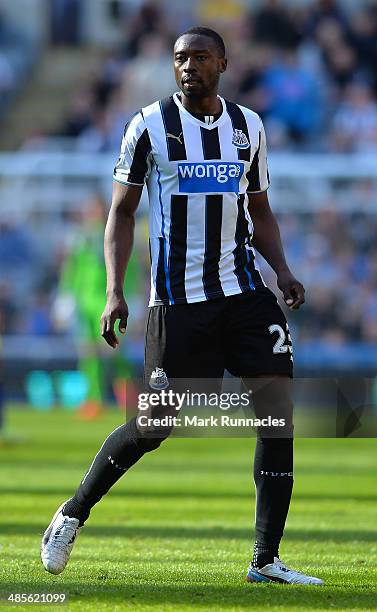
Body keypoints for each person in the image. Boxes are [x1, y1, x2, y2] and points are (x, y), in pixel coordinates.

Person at [41, 26, 323, 586]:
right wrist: (114, 290)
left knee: (276, 414)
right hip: (179, 303)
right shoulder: (147, 126)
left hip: (243, 293)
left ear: (222, 62)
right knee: (156, 423)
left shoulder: (249, 128)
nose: (188, 66)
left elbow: (260, 208)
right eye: (179, 58)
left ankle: (265, 561)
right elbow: (120, 213)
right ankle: (72, 512)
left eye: (199, 57)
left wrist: (283, 269)